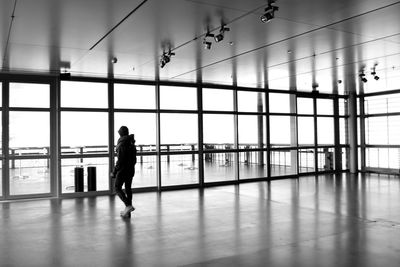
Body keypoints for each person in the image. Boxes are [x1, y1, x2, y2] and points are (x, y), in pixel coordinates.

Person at [111, 126, 137, 218]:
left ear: (121, 134)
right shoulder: (131, 143)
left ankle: (128, 206)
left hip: (122, 170)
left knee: (117, 188)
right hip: (130, 170)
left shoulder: (122, 144)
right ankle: (127, 212)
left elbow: (120, 161)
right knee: (128, 189)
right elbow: (134, 159)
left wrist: (114, 172)